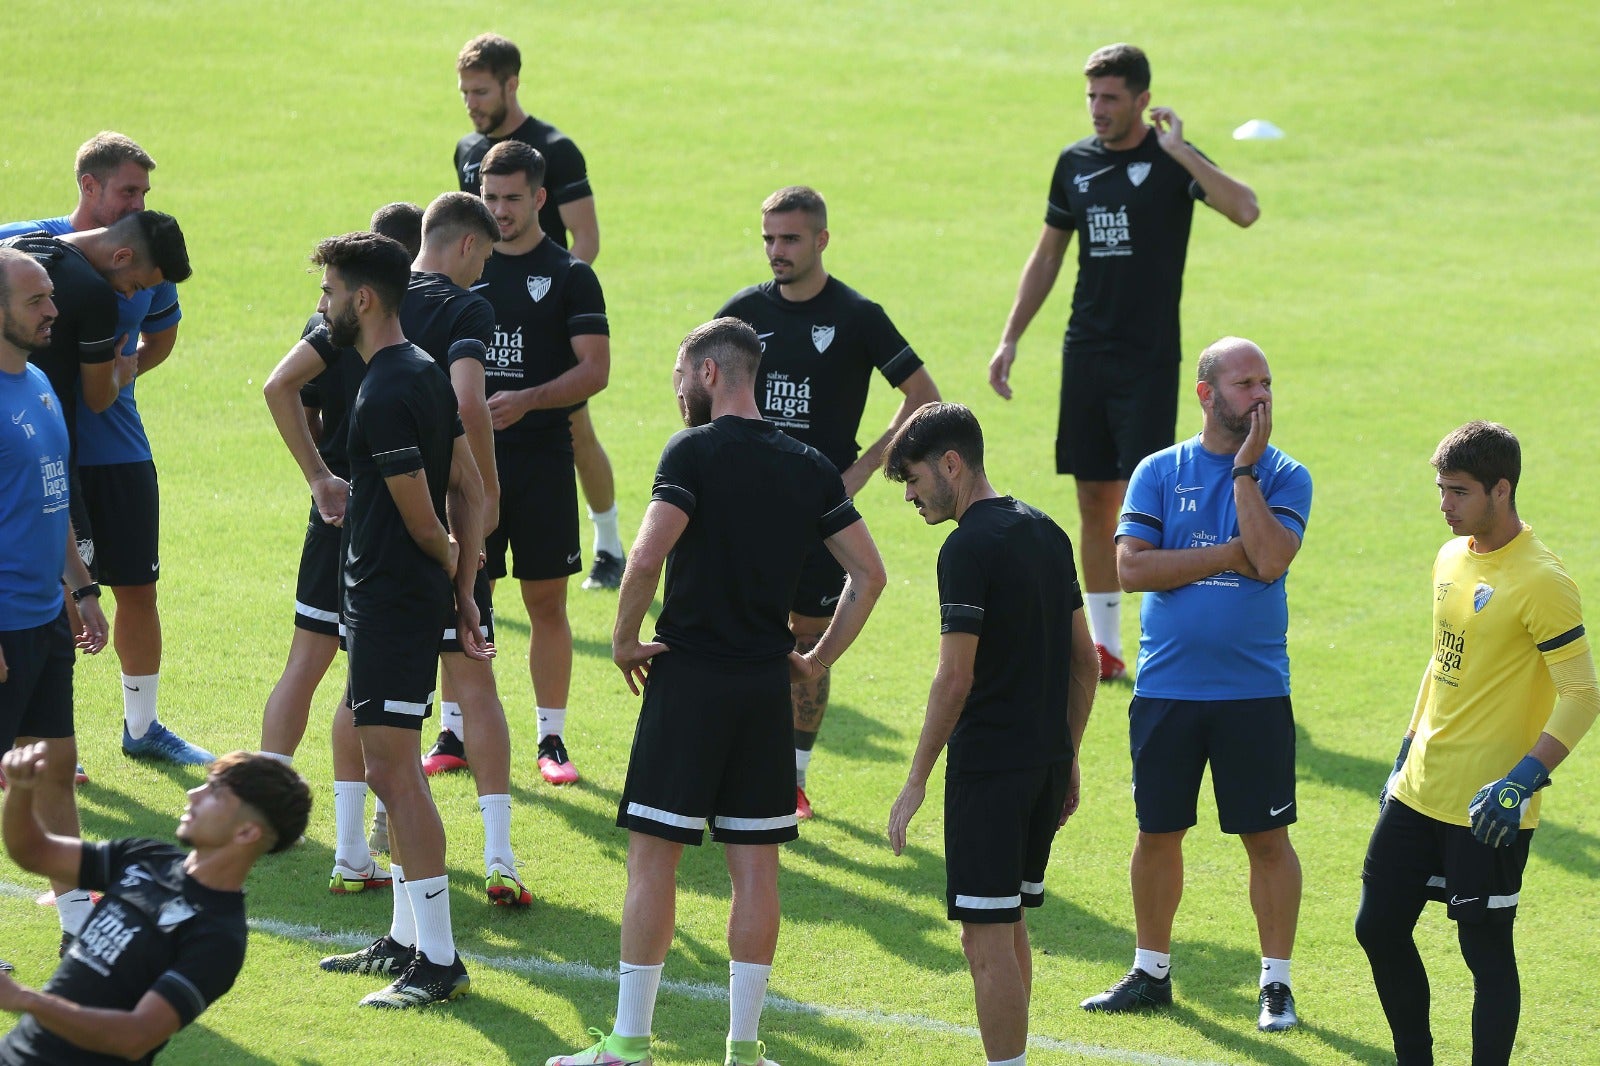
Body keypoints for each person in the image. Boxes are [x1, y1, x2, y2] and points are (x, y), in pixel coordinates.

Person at [545, 318, 885, 1066]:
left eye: (677, 377)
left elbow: (644, 556)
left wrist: (625, 638)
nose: (675, 392)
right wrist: (815, 658)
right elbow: (870, 574)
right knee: (756, 868)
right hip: (765, 687)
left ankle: (629, 1046)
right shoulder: (809, 465)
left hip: (691, 680)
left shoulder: (693, 451)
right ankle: (744, 1050)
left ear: (707, 373)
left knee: (653, 860)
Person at [987, 43, 1259, 684]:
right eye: (1091, 97)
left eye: (1110, 98)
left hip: (1149, 358)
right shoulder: (1074, 165)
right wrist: (1010, 337)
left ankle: (1173, 635)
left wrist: (1183, 151)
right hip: (1086, 353)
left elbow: (1245, 209)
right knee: (1092, 497)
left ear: (1142, 100)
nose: (1098, 110)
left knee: (1157, 501)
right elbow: (1049, 255)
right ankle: (1104, 648)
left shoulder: (1167, 162)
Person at [1081, 337, 1308, 1032]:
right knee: (1157, 834)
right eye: (1245, 383)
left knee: (1267, 841)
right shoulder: (1158, 471)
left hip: (1254, 693)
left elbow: (1268, 560)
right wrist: (1226, 555)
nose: (1261, 395)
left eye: (1266, 381)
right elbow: (1132, 570)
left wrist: (1244, 476)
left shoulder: (1285, 475)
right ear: (1206, 394)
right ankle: (1151, 972)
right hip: (1169, 691)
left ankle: (1276, 985)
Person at [1355, 421, 1597, 1066]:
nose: (1445, 505)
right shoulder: (1451, 555)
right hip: (1419, 789)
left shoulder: (1544, 581)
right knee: (1376, 928)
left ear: (1501, 488)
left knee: (1484, 952)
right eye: (1440, 489)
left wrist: (1523, 779)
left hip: (1488, 806)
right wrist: (1407, 748)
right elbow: (1441, 661)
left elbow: (1582, 693)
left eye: (1458, 492)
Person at [299, 232, 486, 1008]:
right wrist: (467, 588)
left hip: (389, 602)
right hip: (401, 602)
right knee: (393, 770)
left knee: (394, 775)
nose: (323, 307)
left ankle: (437, 962)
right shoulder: (424, 373)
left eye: (329, 293)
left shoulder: (381, 392)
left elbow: (423, 519)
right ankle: (408, 940)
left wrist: (447, 570)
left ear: (363, 298)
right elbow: (472, 487)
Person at [716, 185, 940, 821]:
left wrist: (864, 467)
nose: (776, 251)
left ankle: (791, 777)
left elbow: (924, 395)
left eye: (789, 239)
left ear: (821, 240)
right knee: (738, 630)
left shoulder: (857, 316)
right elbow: (697, 383)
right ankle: (732, 764)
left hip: (818, 511)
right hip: (747, 506)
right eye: (768, 239)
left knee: (809, 640)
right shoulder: (741, 312)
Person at [883, 402, 1097, 1066]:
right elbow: (1084, 662)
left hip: (989, 772)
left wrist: (915, 780)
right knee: (1007, 925)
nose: (912, 497)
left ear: (952, 463)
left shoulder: (967, 547)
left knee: (984, 941)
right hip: (1041, 764)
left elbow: (955, 677)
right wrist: (1068, 755)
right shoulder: (1049, 532)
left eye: (914, 479)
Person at [0, 133, 208, 772]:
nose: (138, 202)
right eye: (128, 190)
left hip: (117, 449)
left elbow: (164, 333)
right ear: (89, 186)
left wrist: (124, 372)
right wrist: (107, 374)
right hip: (35, 450)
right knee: (50, 590)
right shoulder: (25, 248)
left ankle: (141, 727)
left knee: (135, 588)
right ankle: (43, 733)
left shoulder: (142, 252)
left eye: (144, 192)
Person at [258, 202, 421, 865]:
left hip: (337, 513)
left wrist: (320, 475)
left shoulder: (331, 325)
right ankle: (377, 825)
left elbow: (286, 389)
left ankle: (259, 807)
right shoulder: (418, 319)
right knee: (376, 681)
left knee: (310, 661)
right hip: (394, 517)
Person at [0, 742, 311, 1064]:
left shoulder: (217, 938)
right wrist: (21, 790)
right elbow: (34, 852)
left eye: (215, 792)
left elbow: (134, 1037)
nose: (193, 794)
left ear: (246, 832)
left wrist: (25, 999)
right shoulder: (146, 857)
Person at [453, 31, 627, 590]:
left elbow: (588, 238)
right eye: (465, 93)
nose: (472, 104)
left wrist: (549, 306)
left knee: (573, 429)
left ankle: (607, 542)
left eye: (481, 91)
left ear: (511, 84)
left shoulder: (556, 149)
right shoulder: (467, 153)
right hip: (488, 309)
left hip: (549, 314)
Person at [471, 139, 611, 786]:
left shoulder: (569, 275)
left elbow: (596, 369)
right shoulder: (455, 268)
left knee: (546, 603)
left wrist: (528, 399)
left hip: (544, 462)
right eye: (489, 197)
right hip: (468, 464)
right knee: (466, 593)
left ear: (539, 199)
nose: (499, 210)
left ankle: (550, 741)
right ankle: (452, 728)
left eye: (511, 198)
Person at [0, 247, 110, 959]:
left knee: (55, 765)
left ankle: (77, 923)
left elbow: (54, 498)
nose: (53, 310)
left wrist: (81, 588)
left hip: (43, 615)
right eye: (36, 299)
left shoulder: (38, 381)